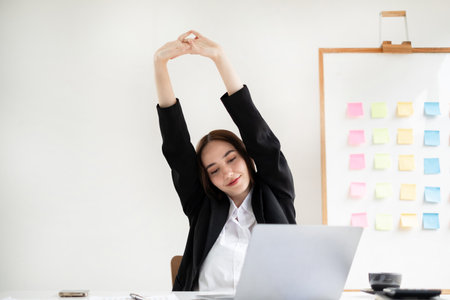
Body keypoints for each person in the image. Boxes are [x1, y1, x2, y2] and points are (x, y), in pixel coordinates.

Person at [154, 30, 296, 292]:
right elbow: (177, 150)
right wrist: (160, 64)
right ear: (206, 178)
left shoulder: (277, 193)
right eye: (214, 170)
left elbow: (261, 139)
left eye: (231, 158)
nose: (228, 172)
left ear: (246, 155)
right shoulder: (202, 206)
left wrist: (219, 57)